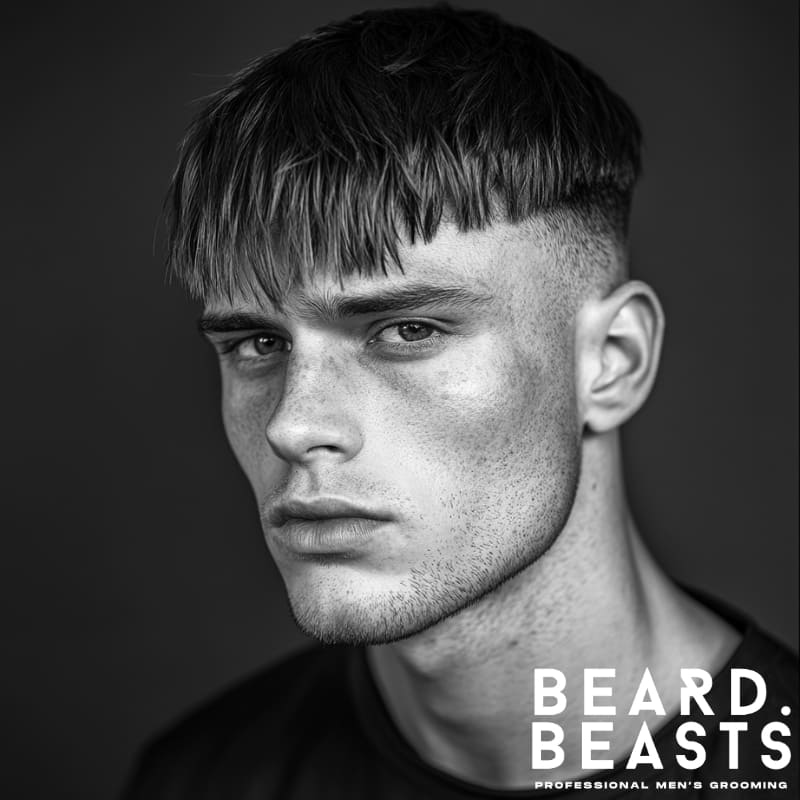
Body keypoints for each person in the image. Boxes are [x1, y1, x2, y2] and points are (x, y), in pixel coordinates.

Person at [125, 5, 797, 798]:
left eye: (407, 330)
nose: (293, 425)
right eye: (257, 346)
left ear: (612, 364)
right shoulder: (201, 779)